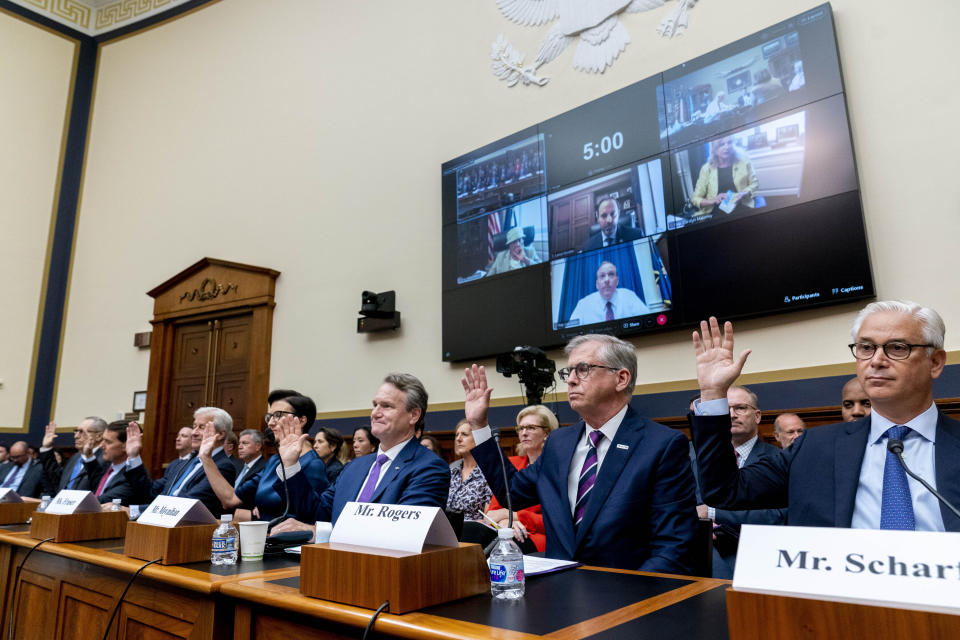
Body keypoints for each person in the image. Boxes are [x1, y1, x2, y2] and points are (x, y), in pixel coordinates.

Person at [689, 301, 960, 532]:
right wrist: (713, 393)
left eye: (897, 347)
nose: (877, 360)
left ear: (934, 362)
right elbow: (725, 491)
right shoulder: (815, 447)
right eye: (866, 348)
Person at [462, 334, 698, 572]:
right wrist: (479, 424)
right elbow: (512, 492)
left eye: (583, 369)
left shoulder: (662, 445)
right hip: (557, 592)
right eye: (568, 372)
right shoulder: (558, 442)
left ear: (621, 378)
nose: (571, 380)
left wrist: (633, 602)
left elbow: (672, 548)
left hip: (625, 595)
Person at [270, 373, 449, 536]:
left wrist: (324, 533)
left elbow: (402, 532)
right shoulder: (355, 466)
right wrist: (291, 464)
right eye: (374, 405)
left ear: (414, 415)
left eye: (386, 406)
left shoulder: (429, 467)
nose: (375, 413)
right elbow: (317, 513)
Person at [694, 386, 785, 579]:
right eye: (726, 409)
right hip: (698, 553)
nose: (732, 415)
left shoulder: (778, 459)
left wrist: (713, 514)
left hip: (754, 557)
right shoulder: (698, 458)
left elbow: (779, 515)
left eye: (740, 408)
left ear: (758, 416)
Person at [198, 392, 328, 522]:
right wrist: (206, 457)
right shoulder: (274, 461)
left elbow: (313, 517)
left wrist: (259, 515)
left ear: (301, 420)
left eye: (277, 415)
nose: (270, 423)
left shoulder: (313, 464)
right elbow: (231, 499)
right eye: (270, 417)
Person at [125, 407, 238, 518]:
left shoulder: (222, 466)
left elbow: (186, 504)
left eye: (201, 427)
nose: (194, 432)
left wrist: (136, 511)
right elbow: (151, 491)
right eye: (194, 426)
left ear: (221, 434)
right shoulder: (188, 462)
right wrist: (134, 456)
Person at [486, 404, 558, 552]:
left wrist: (513, 516)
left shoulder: (557, 469)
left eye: (531, 427)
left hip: (540, 537)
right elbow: (491, 514)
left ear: (547, 433)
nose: (524, 433)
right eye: (521, 428)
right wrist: (508, 522)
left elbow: (555, 521)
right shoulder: (512, 463)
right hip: (506, 532)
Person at [690, 136, 758, 216]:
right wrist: (713, 200)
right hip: (716, 210)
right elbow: (695, 199)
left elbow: (754, 183)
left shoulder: (744, 162)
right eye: (721, 144)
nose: (727, 147)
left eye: (729, 143)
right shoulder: (706, 169)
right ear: (715, 149)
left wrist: (744, 193)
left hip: (742, 205)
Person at [567, 261, 649, 326]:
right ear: (597, 284)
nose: (607, 280)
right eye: (602, 276)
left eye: (611, 274)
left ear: (617, 281)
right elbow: (570, 332)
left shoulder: (629, 296)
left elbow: (647, 320)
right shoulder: (583, 304)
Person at [38, 417, 107, 493]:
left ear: (99, 436)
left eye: (81, 432)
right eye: (76, 431)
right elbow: (58, 480)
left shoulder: (105, 459)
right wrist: (47, 448)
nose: (76, 436)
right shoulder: (75, 457)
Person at [90, 421, 152, 506]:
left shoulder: (132, 478)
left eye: (108, 442)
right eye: (102, 440)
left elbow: (98, 502)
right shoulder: (104, 466)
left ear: (125, 446)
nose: (101, 446)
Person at [446, 420, 492, 521]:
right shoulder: (452, 471)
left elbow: (489, 520)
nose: (458, 439)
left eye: (464, 435)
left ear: (479, 439)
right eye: (457, 435)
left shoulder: (489, 473)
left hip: (474, 533)